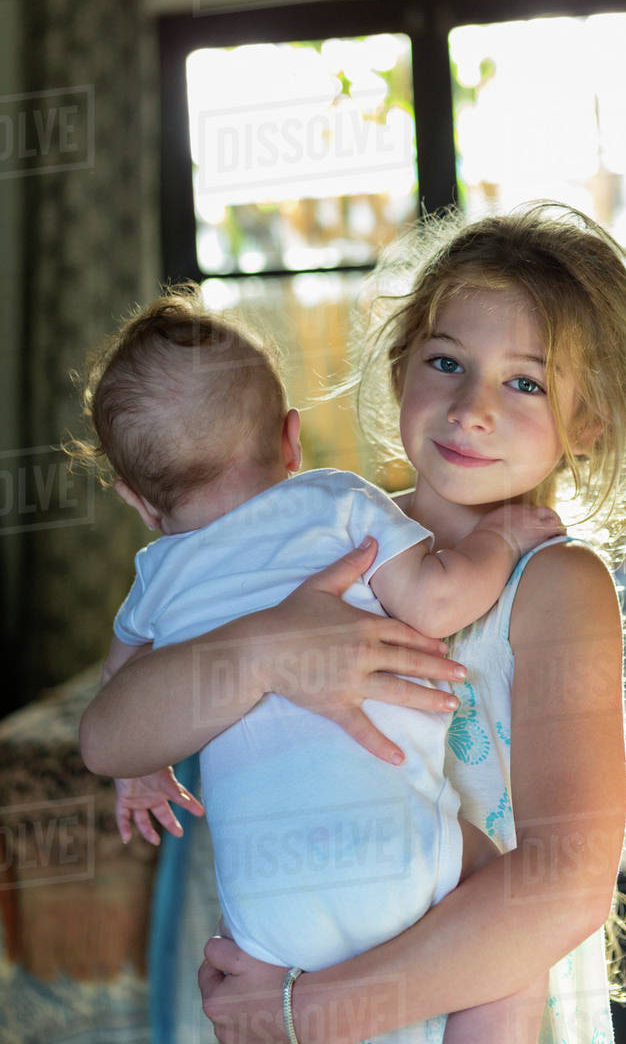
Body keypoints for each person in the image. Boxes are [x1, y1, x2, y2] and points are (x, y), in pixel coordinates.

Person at [80, 202, 626, 1043]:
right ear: (403, 366)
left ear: (586, 422)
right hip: (292, 966)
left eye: (526, 381)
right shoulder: (306, 540)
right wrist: (264, 648)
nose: (471, 407)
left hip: (452, 996)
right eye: (447, 361)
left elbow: (564, 884)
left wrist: (305, 1014)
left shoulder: (555, 583)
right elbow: (112, 735)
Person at [73, 286, 564, 1038]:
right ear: (291, 440)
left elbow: (121, 698)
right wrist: (501, 538)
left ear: (138, 501)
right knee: (509, 914)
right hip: (402, 859)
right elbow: (437, 605)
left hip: (268, 917)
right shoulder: (335, 501)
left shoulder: (156, 579)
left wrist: (141, 768)